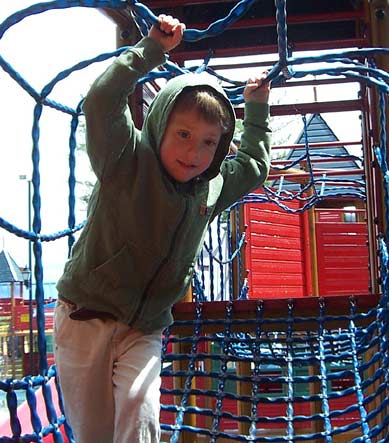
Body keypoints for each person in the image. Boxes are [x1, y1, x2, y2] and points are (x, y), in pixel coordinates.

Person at [54, 13, 271, 443]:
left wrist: (257, 107)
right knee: (94, 433)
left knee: (141, 413)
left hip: (145, 328)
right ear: (159, 127)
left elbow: (252, 166)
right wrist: (151, 50)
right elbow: (101, 101)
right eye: (184, 134)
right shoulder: (127, 159)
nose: (194, 152)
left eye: (209, 142)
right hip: (86, 317)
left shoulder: (210, 187)